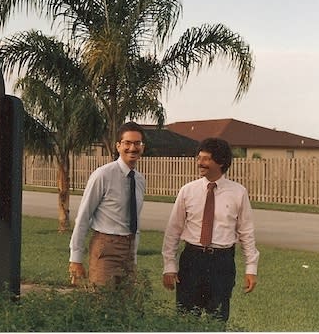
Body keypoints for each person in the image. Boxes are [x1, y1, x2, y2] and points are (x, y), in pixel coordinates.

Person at [161, 137, 259, 322]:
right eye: (199, 158)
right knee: (186, 319)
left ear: (221, 161)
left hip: (222, 263)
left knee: (217, 319)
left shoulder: (238, 193)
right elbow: (173, 231)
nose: (200, 163)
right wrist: (169, 266)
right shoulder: (187, 191)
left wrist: (251, 268)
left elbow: (246, 233)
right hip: (192, 261)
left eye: (206, 159)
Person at [68, 121, 146, 286]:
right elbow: (83, 216)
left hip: (129, 249)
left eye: (137, 143)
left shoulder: (139, 180)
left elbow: (135, 221)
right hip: (106, 248)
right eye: (127, 143)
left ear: (142, 147)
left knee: (127, 306)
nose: (132, 148)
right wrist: (76, 258)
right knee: (101, 303)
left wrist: (134, 254)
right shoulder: (103, 175)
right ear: (118, 146)